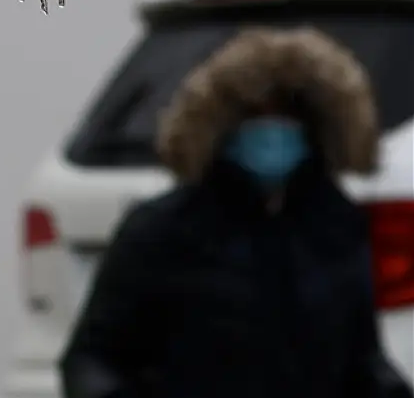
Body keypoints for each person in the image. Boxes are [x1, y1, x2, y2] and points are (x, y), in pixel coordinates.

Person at [60, 27, 414, 398]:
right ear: (221, 125)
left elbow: (362, 361)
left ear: (316, 126)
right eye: (256, 115)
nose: (274, 131)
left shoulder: (337, 227)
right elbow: (93, 359)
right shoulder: (163, 230)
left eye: (289, 115)